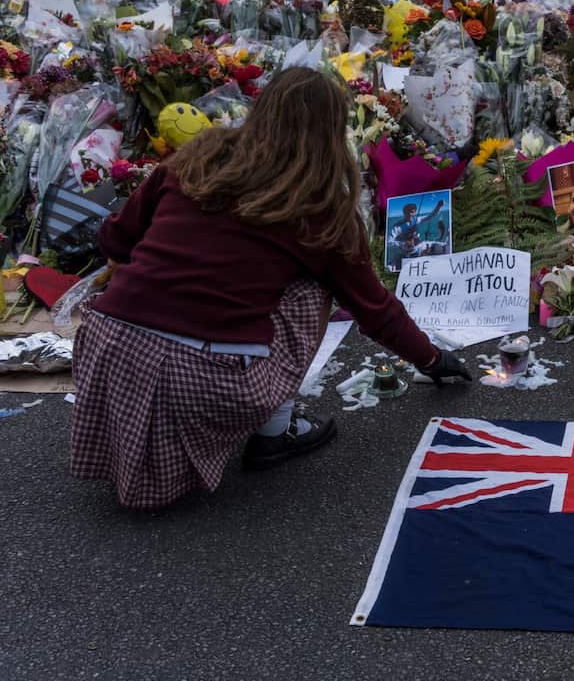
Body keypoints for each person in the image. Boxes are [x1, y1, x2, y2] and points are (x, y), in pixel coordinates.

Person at [71, 68, 471, 510]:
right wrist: (431, 359)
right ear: (331, 132)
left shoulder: (198, 157)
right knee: (311, 289)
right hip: (201, 379)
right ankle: (274, 434)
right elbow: (373, 307)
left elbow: (115, 238)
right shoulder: (318, 205)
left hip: (107, 349)